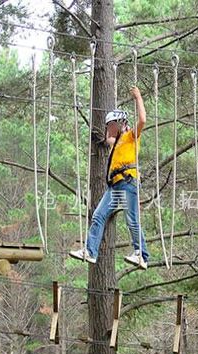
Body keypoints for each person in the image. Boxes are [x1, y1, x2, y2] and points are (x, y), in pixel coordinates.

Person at [69, 87, 149, 268]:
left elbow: (143, 119)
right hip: (115, 186)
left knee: (132, 220)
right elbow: (107, 139)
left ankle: (141, 255)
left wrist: (138, 98)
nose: (108, 129)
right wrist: (112, 121)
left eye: (111, 125)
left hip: (128, 182)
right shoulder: (116, 142)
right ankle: (90, 251)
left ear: (120, 124)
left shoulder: (130, 137)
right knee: (98, 216)